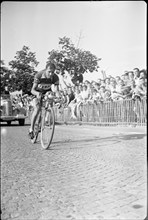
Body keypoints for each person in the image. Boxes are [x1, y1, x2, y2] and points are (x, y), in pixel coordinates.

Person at [28, 62, 60, 139]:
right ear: (46, 70)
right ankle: (31, 129)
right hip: (36, 92)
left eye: (53, 72)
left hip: (46, 92)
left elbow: (56, 90)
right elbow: (32, 90)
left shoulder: (55, 77)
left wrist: (58, 98)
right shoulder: (39, 75)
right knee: (37, 108)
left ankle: (45, 120)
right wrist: (37, 93)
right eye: (49, 71)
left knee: (50, 101)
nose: (51, 73)